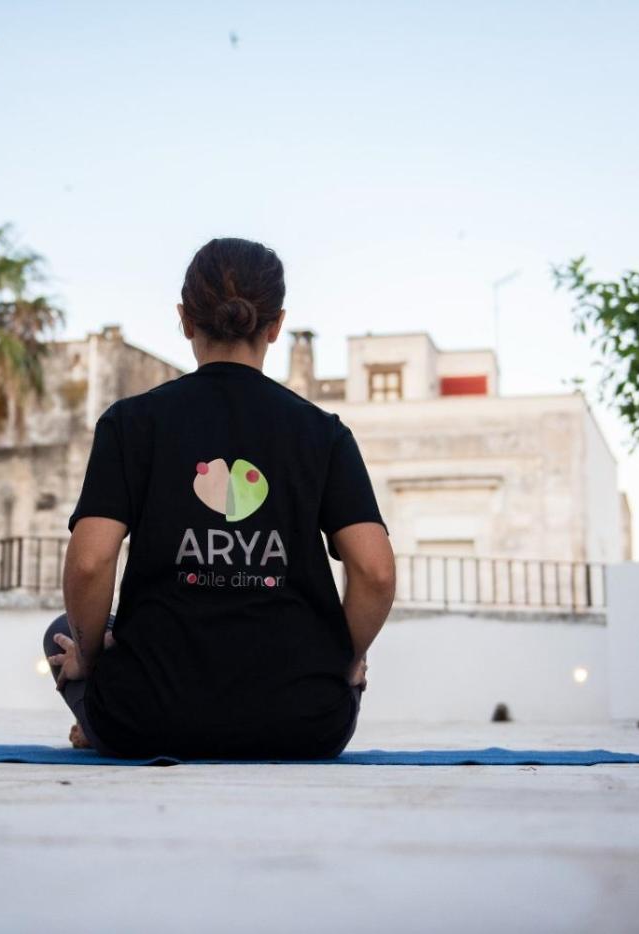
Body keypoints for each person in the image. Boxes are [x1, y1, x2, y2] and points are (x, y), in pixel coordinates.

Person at [43, 237, 396, 759]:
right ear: (276, 325)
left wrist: (91, 663)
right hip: (304, 723)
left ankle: (97, 721)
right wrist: (346, 660)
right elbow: (376, 572)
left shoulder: (131, 423)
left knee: (63, 634)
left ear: (185, 320)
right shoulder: (323, 433)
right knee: (330, 659)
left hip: (145, 718)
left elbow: (90, 563)